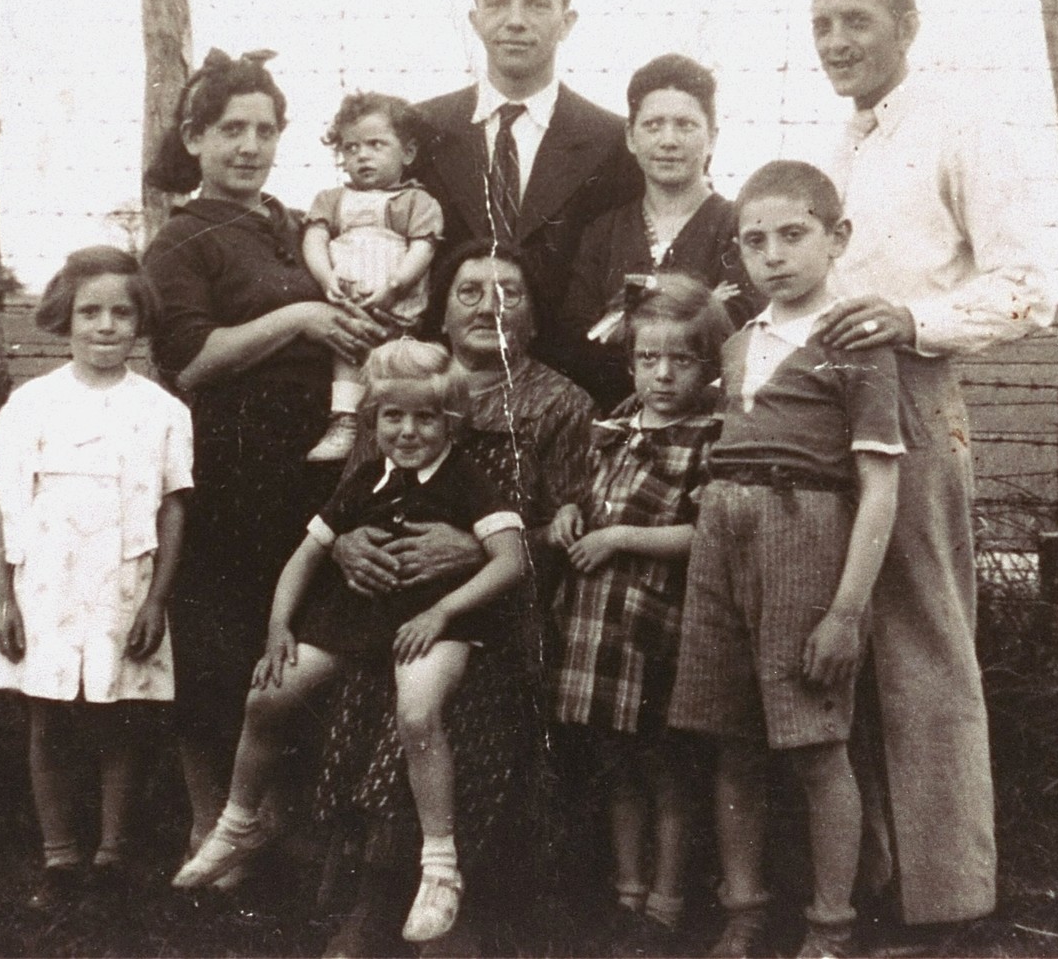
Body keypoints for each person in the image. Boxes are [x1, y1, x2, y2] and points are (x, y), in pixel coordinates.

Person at [807, 0, 1052, 935]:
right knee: (838, 638)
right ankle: (862, 883)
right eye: (820, 24)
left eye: (856, 21)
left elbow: (1025, 288)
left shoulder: (958, 129)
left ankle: (951, 900)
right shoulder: (833, 146)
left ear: (908, 25)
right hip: (822, 405)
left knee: (925, 640)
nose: (835, 43)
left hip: (911, 393)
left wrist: (910, 323)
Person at [173, 340, 525, 943]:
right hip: (362, 618)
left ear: (451, 422)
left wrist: (442, 612)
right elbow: (305, 555)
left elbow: (510, 560)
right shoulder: (368, 477)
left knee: (418, 712)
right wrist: (280, 627)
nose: (408, 431)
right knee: (267, 696)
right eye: (394, 416)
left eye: (425, 417)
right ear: (373, 419)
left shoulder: (467, 480)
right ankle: (236, 823)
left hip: (437, 621)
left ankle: (440, 868)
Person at [316, 240, 597, 956]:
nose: (489, 305)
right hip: (390, 601)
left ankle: (430, 904)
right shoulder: (401, 388)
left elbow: (569, 528)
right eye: (470, 290)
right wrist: (348, 548)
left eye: (510, 291)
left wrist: (475, 550)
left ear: (535, 315)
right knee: (373, 681)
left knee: (451, 705)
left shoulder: (561, 402)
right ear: (442, 310)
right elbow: (348, 500)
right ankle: (379, 894)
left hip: (497, 606)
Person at [141, 49, 387, 865]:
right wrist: (303, 323)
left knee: (292, 644)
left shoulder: (287, 224)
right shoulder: (182, 237)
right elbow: (190, 360)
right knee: (218, 644)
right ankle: (205, 819)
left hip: (310, 464)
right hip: (226, 465)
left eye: (265, 129)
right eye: (230, 130)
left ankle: (278, 817)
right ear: (195, 137)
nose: (249, 146)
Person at [667, 160, 905, 959]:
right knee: (730, 736)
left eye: (793, 235)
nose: (773, 254)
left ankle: (830, 928)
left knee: (812, 741)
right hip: (722, 535)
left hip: (804, 533)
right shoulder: (739, 345)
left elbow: (877, 487)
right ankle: (744, 911)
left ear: (836, 239)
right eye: (754, 240)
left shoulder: (854, 344)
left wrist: (845, 611)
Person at [0, 246, 193, 907]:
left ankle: (111, 856)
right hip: (45, 585)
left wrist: (156, 598)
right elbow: (5, 506)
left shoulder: (162, 410)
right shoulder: (30, 403)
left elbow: (173, 505)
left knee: (118, 719)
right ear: (64, 317)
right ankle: (59, 857)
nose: (106, 325)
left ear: (140, 321)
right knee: (48, 717)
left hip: (121, 587)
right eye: (90, 311)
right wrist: (2, 599)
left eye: (121, 312)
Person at [547, 274, 732, 955]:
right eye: (649, 359)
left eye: (680, 360)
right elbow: (582, 496)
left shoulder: (707, 436)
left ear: (707, 366)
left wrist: (621, 538)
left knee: (665, 767)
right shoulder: (616, 423)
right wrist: (569, 512)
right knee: (615, 762)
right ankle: (626, 892)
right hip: (595, 631)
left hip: (654, 629)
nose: (662, 374)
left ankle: (666, 901)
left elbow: (705, 536)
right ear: (630, 362)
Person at [411, 0, 642, 349]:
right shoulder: (421, 130)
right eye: (497, 3)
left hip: (568, 377)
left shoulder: (613, 142)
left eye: (536, 5)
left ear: (567, 22)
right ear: (475, 18)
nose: (515, 21)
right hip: (440, 379)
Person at [555, 53, 756, 407]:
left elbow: (738, 332)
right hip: (612, 416)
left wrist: (624, 326)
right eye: (653, 125)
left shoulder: (738, 228)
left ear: (712, 137)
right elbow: (579, 339)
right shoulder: (603, 233)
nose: (668, 140)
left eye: (685, 125)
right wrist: (699, 307)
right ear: (631, 137)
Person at [302, 92, 444, 462]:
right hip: (348, 303)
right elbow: (315, 238)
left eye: (376, 145)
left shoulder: (416, 201)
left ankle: (398, 435)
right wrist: (325, 277)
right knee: (346, 355)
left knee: (398, 370)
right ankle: (345, 421)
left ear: (407, 153)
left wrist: (394, 286)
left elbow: (422, 248)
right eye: (351, 148)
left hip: (395, 306)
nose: (362, 155)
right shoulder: (332, 200)